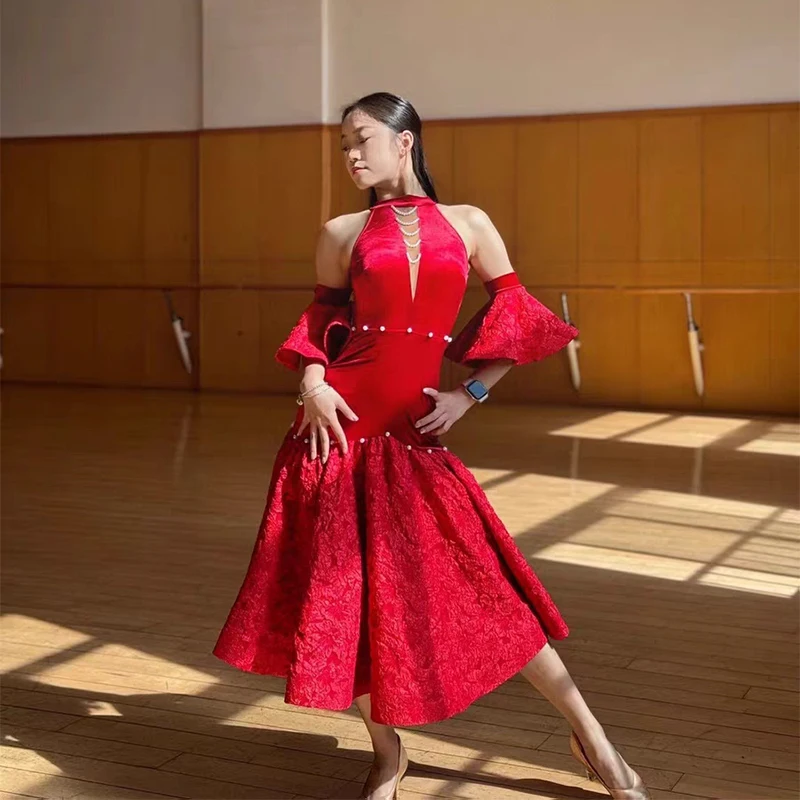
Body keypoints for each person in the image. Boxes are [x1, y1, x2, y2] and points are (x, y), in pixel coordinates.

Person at [212, 92, 649, 800]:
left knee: (492, 593)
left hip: (412, 441)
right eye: (343, 146)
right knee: (344, 605)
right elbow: (321, 326)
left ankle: (591, 737)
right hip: (335, 437)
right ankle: (387, 755)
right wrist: (313, 388)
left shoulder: (469, 224)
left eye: (361, 139)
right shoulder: (341, 230)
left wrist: (469, 394)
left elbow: (517, 314)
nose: (350, 155)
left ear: (405, 141)